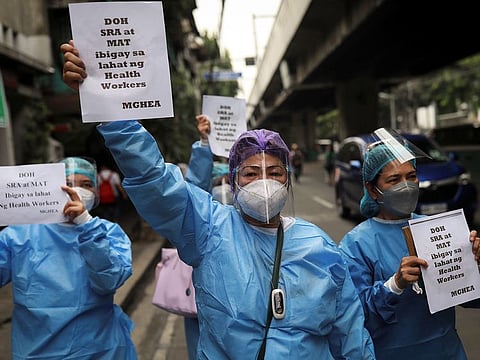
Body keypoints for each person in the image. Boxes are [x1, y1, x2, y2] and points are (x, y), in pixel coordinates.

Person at [61, 42, 375, 359]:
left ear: (288, 179)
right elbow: (156, 180)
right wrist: (106, 106)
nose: (264, 182)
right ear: (233, 181)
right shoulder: (209, 228)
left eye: (275, 173)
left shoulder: (319, 246)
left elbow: (349, 330)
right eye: (251, 173)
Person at [337, 128, 480, 360]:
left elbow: (471, 298)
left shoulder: (439, 230)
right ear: (373, 190)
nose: (406, 185)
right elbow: (354, 316)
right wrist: (395, 284)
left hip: (445, 351)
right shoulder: (356, 245)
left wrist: (473, 264)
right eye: (394, 179)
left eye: (411, 176)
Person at [0, 156, 137, 359]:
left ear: (95, 192)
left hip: (99, 348)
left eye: (86, 184)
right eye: (67, 184)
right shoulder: (18, 235)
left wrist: (86, 226)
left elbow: (109, 281)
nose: (76, 191)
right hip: (38, 350)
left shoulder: (107, 232)